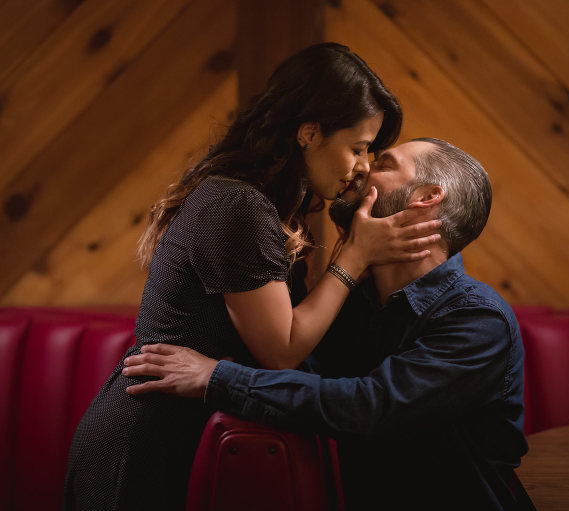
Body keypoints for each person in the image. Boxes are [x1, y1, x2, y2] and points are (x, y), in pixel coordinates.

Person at [64, 43, 441, 510]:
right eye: (358, 148)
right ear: (308, 133)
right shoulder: (238, 206)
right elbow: (281, 351)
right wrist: (355, 257)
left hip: (185, 435)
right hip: (145, 441)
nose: (363, 167)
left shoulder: (262, 203)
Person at [123, 138, 535, 510]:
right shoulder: (356, 304)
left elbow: (372, 407)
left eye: (383, 163)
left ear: (425, 198)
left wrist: (218, 377)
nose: (360, 169)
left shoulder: (477, 317)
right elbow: (300, 371)